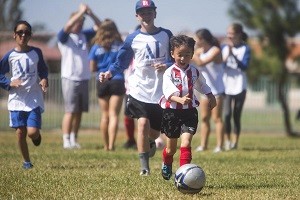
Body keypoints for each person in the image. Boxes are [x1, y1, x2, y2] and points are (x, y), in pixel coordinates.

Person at [99, 0, 173, 176]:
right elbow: (121, 61)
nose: (146, 15)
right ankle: (144, 168)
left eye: (149, 12)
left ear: (155, 13)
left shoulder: (167, 35)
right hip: (138, 89)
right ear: (137, 16)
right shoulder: (133, 38)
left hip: (160, 92)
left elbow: (176, 58)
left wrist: (167, 64)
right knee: (142, 123)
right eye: (142, 12)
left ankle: (150, 142)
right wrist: (109, 73)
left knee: (154, 133)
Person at [160, 35, 216, 180]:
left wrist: (210, 95)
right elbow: (168, 91)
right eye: (180, 55)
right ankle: (167, 161)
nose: (183, 58)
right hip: (172, 113)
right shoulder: (169, 72)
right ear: (172, 54)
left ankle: (182, 174)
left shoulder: (194, 71)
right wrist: (179, 99)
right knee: (171, 149)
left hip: (190, 112)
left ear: (192, 54)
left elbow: (202, 84)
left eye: (187, 55)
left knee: (186, 142)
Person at [0, 21, 48, 169]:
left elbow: (43, 70)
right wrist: (8, 83)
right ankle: (27, 162)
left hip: (33, 98)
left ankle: (37, 137)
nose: (23, 35)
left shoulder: (36, 53)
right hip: (16, 100)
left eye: (26, 32)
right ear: (14, 35)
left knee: (32, 133)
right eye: (20, 32)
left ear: (30, 35)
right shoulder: (10, 56)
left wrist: (44, 79)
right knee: (20, 133)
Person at [57, 3, 101, 149]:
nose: (80, 25)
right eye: (78, 22)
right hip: (70, 78)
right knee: (70, 110)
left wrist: (90, 13)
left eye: (82, 22)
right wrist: (79, 13)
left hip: (84, 77)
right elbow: (67, 26)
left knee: (80, 111)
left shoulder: (84, 35)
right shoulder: (64, 37)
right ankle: (66, 140)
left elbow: (100, 27)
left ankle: (74, 138)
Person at [89, 19, 125, 151]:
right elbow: (123, 62)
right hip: (117, 79)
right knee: (114, 115)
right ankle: (112, 145)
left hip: (102, 80)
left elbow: (92, 67)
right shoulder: (120, 45)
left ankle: (105, 146)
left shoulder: (96, 47)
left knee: (105, 115)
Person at [192, 29, 225, 153]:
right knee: (205, 118)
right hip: (205, 91)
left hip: (217, 91)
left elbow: (201, 62)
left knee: (217, 118)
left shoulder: (215, 51)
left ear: (203, 39)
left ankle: (219, 146)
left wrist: (192, 54)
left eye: (197, 39)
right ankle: (203, 145)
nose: (196, 42)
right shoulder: (200, 51)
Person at [222, 23, 251, 150]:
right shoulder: (224, 47)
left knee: (236, 115)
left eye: (231, 33)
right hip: (226, 86)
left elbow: (244, 66)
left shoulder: (246, 48)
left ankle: (235, 142)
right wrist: (226, 54)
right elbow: (221, 66)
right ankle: (227, 141)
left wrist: (232, 54)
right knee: (227, 114)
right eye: (228, 33)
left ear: (238, 34)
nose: (229, 36)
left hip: (240, 85)